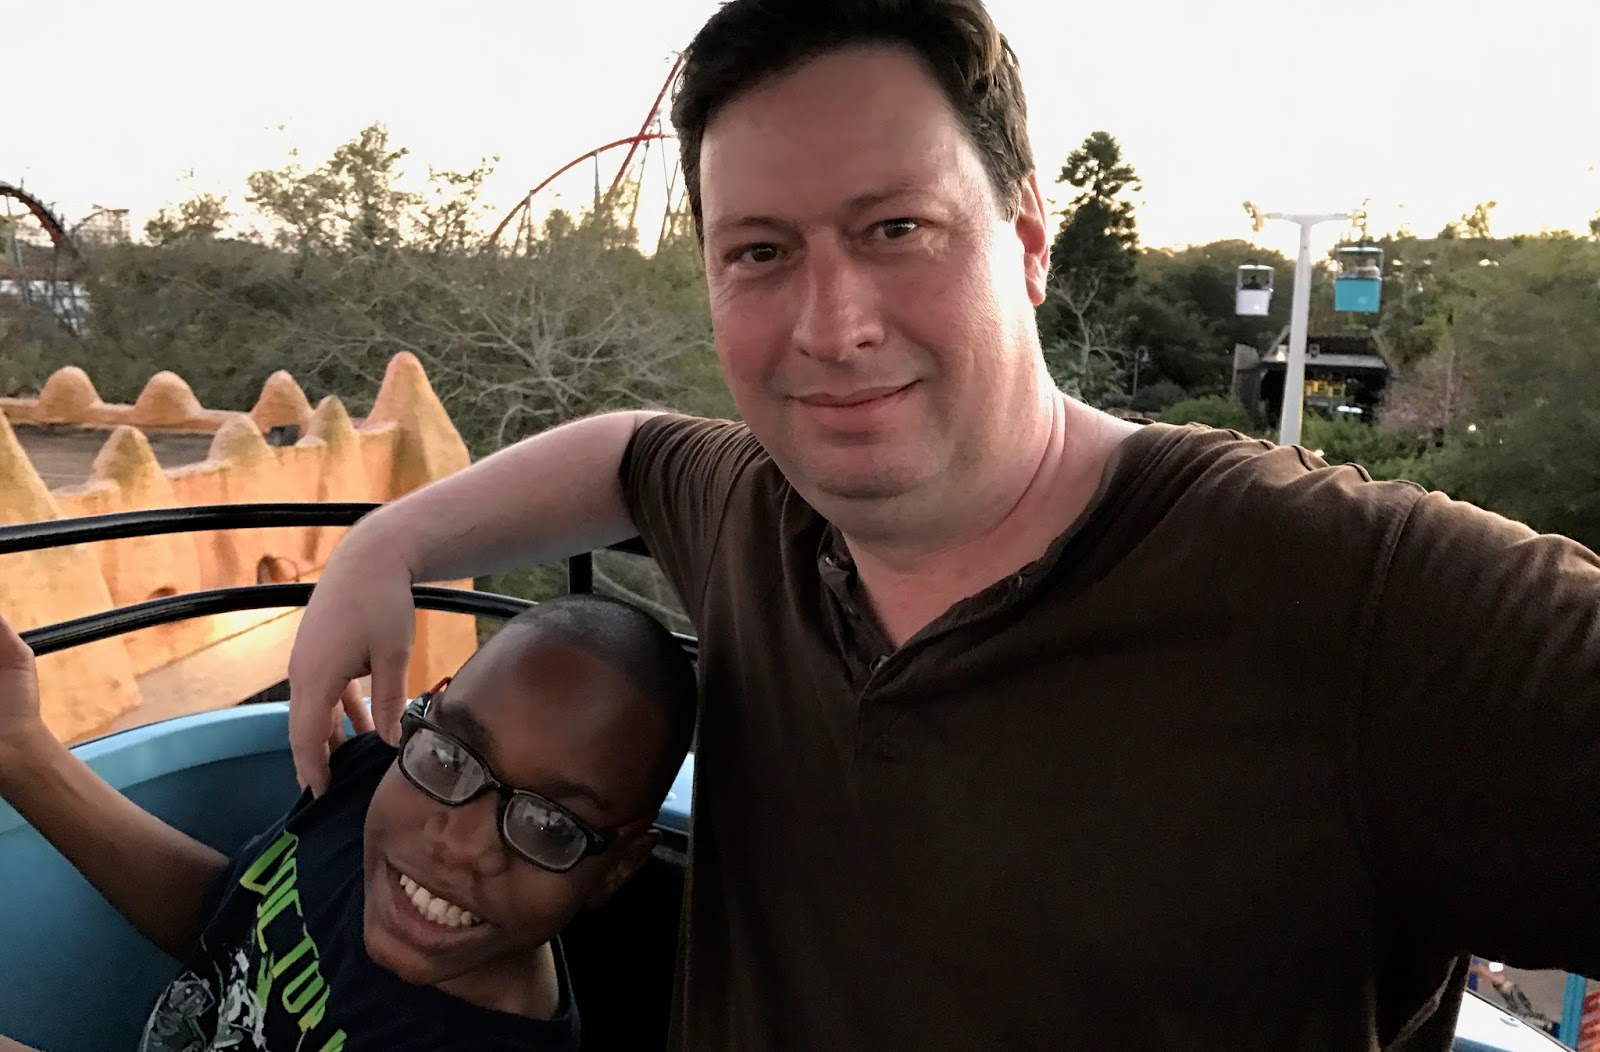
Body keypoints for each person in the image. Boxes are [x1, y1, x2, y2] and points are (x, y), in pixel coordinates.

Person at [285, 0, 1600, 1048]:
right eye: (759, 252)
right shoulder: (762, 512)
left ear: (1026, 236)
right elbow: (628, 452)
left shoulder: (1350, 595)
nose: (831, 325)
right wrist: (388, 543)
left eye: (896, 228)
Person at [0, 594, 696, 1050]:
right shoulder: (375, 779)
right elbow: (233, 919)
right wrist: (21, 751)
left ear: (619, 866)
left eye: (550, 825)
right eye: (452, 755)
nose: (459, 845)